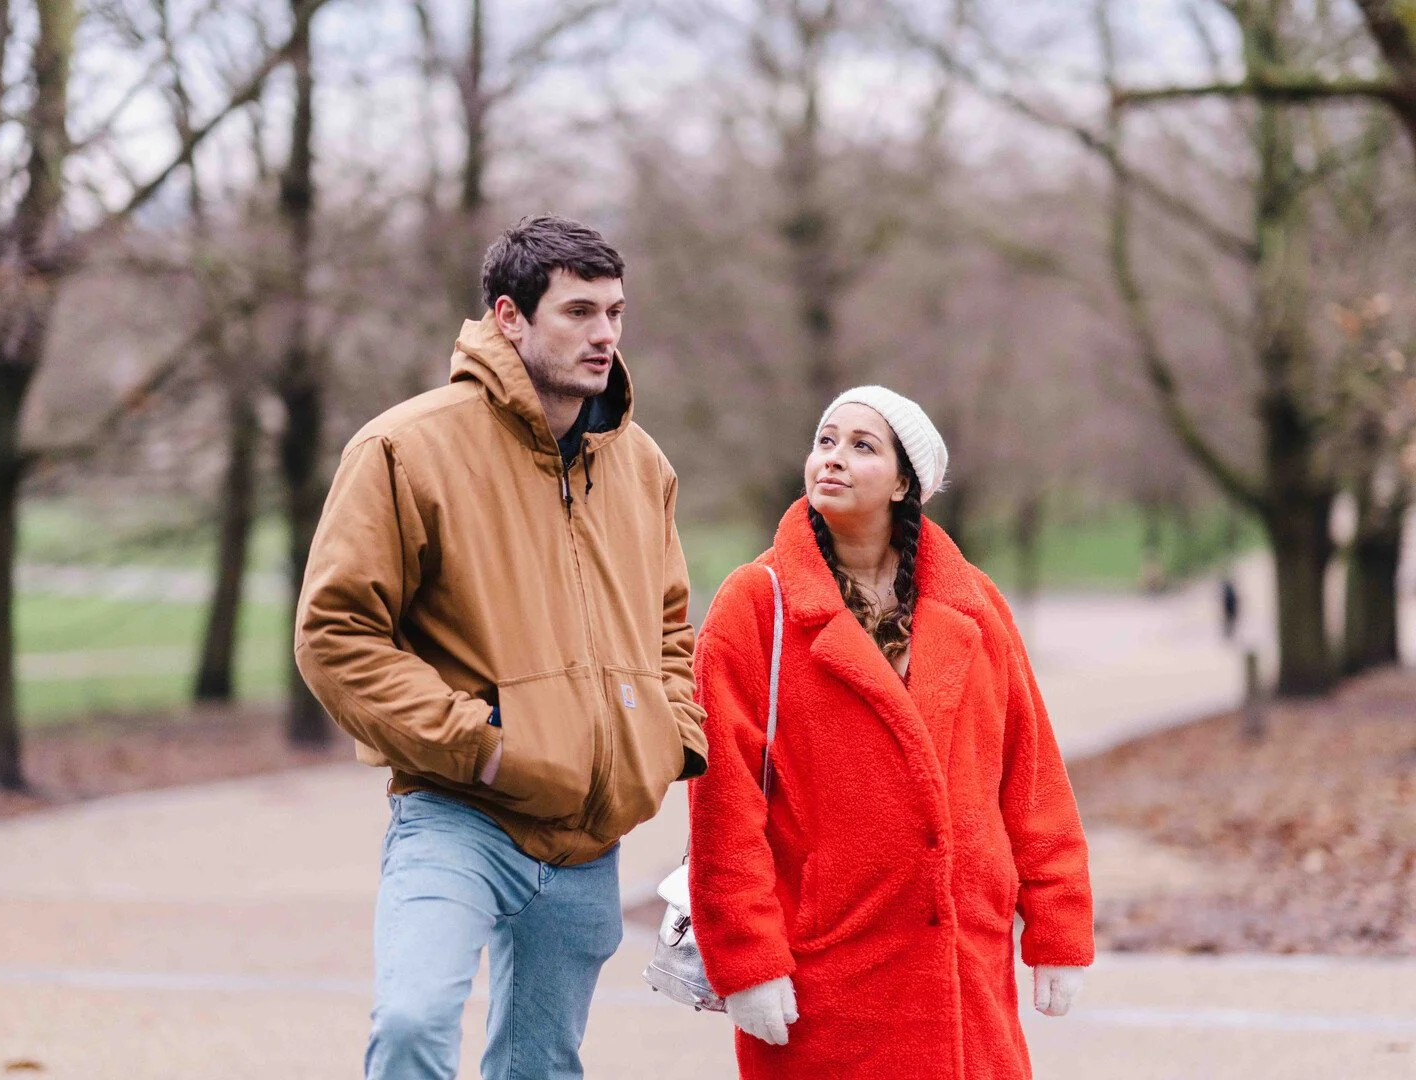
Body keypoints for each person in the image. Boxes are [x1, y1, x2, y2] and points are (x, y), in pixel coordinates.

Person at [295, 214, 707, 1080]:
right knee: (412, 1024)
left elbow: (671, 624)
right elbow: (336, 634)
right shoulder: (405, 448)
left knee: (542, 1066)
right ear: (510, 317)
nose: (605, 335)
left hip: (589, 836)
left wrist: (667, 738)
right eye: (579, 312)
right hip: (458, 812)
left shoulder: (642, 465)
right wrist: (478, 746)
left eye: (616, 313)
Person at [687, 386, 1093, 1079]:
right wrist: (747, 958)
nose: (832, 459)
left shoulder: (976, 606)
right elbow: (723, 802)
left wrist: (1058, 924)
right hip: (827, 963)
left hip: (965, 961)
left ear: (906, 482)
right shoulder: (757, 605)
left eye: (861, 445)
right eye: (825, 441)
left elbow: (1030, 774)